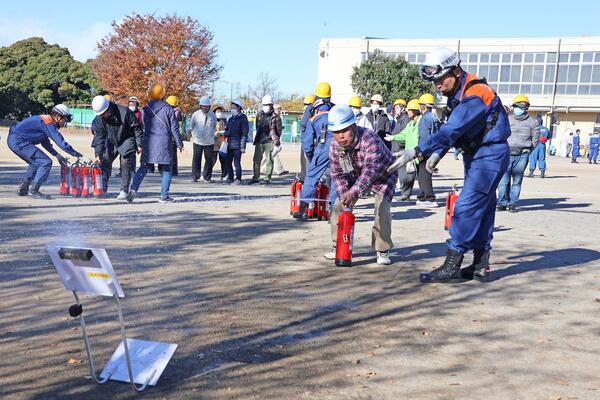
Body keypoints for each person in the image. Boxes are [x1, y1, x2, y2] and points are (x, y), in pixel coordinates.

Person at [388, 47, 510, 283]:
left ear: (455, 70)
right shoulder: (459, 95)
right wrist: (438, 153)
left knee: (465, 207)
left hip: (489, 154)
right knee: (483, 208)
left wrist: (418, 150)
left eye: (440, 78)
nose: (437, 85)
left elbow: (452, 129)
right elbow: (456, 131)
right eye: (434, 81)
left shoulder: (475, 94)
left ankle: (452, 266)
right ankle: (480, 266)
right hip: (477, 154)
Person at [325, 105, 397, 265]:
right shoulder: (334, 146)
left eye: (344, 130)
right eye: (336, 132)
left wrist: (353, 193)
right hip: (354, 175)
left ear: (353, 126)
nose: (341, 136)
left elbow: (370, 172)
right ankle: (338, 245)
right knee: (338, 206)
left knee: (382, 210)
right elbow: (337, 174)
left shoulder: (370, 140)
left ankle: (382, 249)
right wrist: (345, 196)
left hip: (383, 175)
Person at [7, 104, 84, 199]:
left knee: (35, 163)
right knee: (46, 162)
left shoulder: (45, 121)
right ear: (58, 117)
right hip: (18, 141)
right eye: (65, 118)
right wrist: (78, 155)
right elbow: (62, 143)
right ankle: (34, 191)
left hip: (15, 140)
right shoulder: (48, 123)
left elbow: (45, 142)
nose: (65, 122)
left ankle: (24, 189)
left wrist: (57, 155)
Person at [128, 83, 183, 202]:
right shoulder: (168, 109)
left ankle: (133, 189)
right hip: (164, 143)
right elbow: (174, 128)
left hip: (149, 142)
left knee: (143, 167)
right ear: (163, 94)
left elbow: (143, 125)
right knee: (167, 169)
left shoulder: (145, 109)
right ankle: (164, 196)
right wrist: (179, 143)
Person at [293, 82, 335, 220]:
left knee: (311, 178)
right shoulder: (336, 112)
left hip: (322, 147)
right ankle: (334, 213)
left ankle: (303, 210)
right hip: (338, 147)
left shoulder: (313, 116)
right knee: (336, 177)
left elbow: (307, 143)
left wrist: (311, 157)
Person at [91, 95, 143, 199]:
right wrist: (98, 153)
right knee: (104, 160)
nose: (102, 116)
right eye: (100, 114)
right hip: (112, 140)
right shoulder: (100, 118)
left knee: (125, 163)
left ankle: (124, 190)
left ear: (108, 108)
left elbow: (136, 127)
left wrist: (139, 144)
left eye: (103, 113)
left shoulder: (124, 112)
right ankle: (102, 188)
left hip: (127, 139)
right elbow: (99, 135)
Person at [497, 95, 539, 212]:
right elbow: (500, 134)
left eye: (521, 106)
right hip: (506, 154)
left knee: (517, 181)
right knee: (503, 181)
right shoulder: (507, 119)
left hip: (522, 155)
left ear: (526, 107)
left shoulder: (533, 122)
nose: (518, 108)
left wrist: (528, 150)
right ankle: (501, 203)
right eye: (516, 106)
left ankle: (512, 204)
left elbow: (535, 139)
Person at [384, 99, 421, 201]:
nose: (408, 112)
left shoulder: (413, 121)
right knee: (409, 174)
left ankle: (424, 195)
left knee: (417, 175)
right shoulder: (408, 123)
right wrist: (393, 137)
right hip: (409, 152)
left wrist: (399, 143)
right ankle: (406, 194)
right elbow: (404, 134)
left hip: (415, 152)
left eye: (410, 110)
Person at [415, 93, 440, 207]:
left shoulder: (425, 118)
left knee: (424, 175)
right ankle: (423, 196)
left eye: (420, 105)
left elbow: (424, 137)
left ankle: (430, 198)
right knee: (424, 174)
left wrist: (420, 151)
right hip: (433, 149)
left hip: (426, 150)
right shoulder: (433, 117)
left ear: (424, 106)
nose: (419, 107)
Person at [249, 95, 276, 185]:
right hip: (259, 140)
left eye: (267, 104)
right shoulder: (259, 114)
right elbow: (257, 127)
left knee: (269, 160)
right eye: (264, 104)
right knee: (256, 160)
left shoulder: (275, 116)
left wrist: (276, 140)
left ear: (271, 105)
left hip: (270, 141)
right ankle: (255, 177)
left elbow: (278, 129)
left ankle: (267, 178)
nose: (265, 106)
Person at [189, 96, 217, 182]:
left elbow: (214, 126)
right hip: (197, 140)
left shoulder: (212, 115)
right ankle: (195, 176)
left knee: (209, 159)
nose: (205, 108)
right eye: (203, 106)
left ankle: (207, 177)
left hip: (209, 141)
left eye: (207, 106)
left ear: (209, 106)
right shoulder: (195, 114)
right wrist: (193, 135)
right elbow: (191, 126)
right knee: (196, 158)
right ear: (200, 106)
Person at [223, 99, 249, 184]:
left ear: (239, 108)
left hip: (238, 145)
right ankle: (230, 177)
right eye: (231, 107)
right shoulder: (230, 119)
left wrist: (243, 146)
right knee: (227, 162)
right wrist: (225, 133)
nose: (232, 109)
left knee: (237, 163)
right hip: (229, 144)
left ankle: (238, 178)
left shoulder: (243, 119)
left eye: (234, 107)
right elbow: (227, 130)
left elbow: (244, 133)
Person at [260, 104, 287, 176]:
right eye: (278, 109)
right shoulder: (273, 117)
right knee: (273, 153)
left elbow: (276, 128)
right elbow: (272, 129)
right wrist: (275, 139)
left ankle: (279, 170)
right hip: (271, 138)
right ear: (274, 109)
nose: (280, 111)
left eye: (280, 109)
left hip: (273, 138)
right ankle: (262, 168)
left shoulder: (278, 117)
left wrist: (281, 128)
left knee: (273, 154)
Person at [299, 94, 315, 181]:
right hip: (305, 143)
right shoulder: (304, 116)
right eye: (305, 104)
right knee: (304, 164)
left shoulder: (315, 116)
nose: (306, 107)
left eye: (308, 104)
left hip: (312, 144)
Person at [165, 95, 182, 176]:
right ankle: (174, 171)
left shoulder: (167, 111)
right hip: (172, 137)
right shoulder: (177, 112)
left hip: (167, 136)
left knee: (167, 154)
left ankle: (166, 170)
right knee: (173, 155)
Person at [212, 105, 228, 180]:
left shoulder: (222, 121)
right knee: (212, 160)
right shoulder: (212, 120)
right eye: (218, 112)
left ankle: (224, 175)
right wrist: (217, 133)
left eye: (221, 112)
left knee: (223, 160)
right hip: (213, 143)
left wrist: (223, 133)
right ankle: (208, 174)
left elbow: (225, 130)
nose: (219, 113)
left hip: (221, 143)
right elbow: (211, 132)